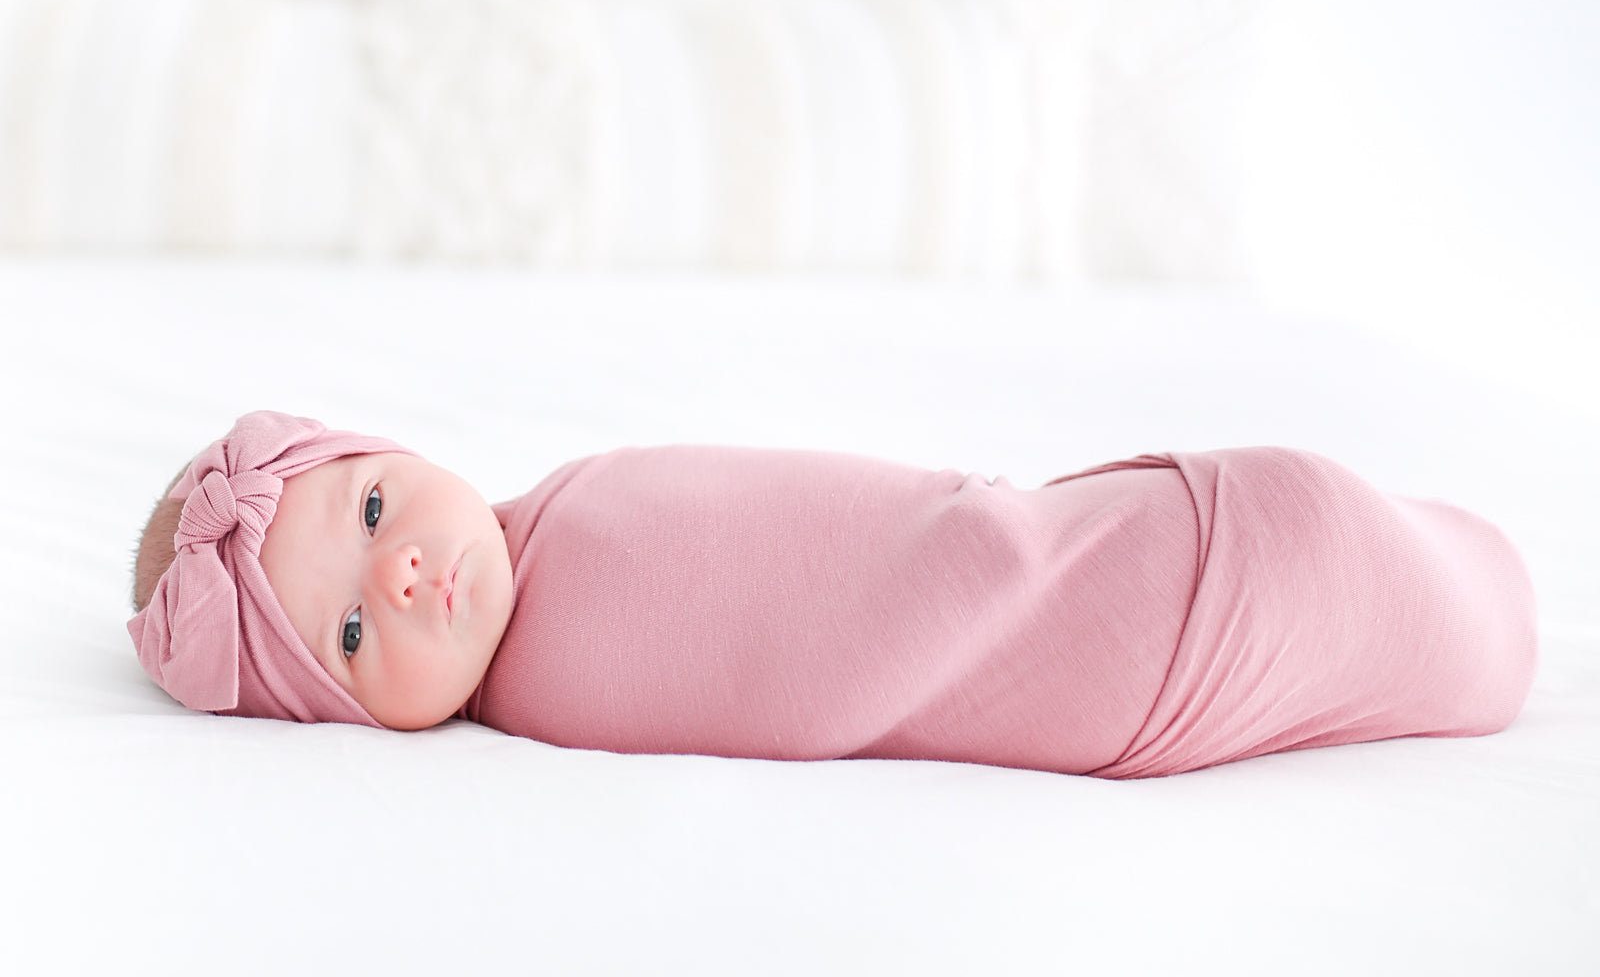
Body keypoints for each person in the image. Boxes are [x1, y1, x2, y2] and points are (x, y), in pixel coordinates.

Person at [129, 410, 1538, 778]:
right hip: (1190, 620)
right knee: (1478, 633)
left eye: (374, 510)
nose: (406, 569)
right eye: (356, 632)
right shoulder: (561, 671)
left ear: (392, 447)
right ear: (342, 715)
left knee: (1477, 617)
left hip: (1185, 552)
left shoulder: (564, 521)